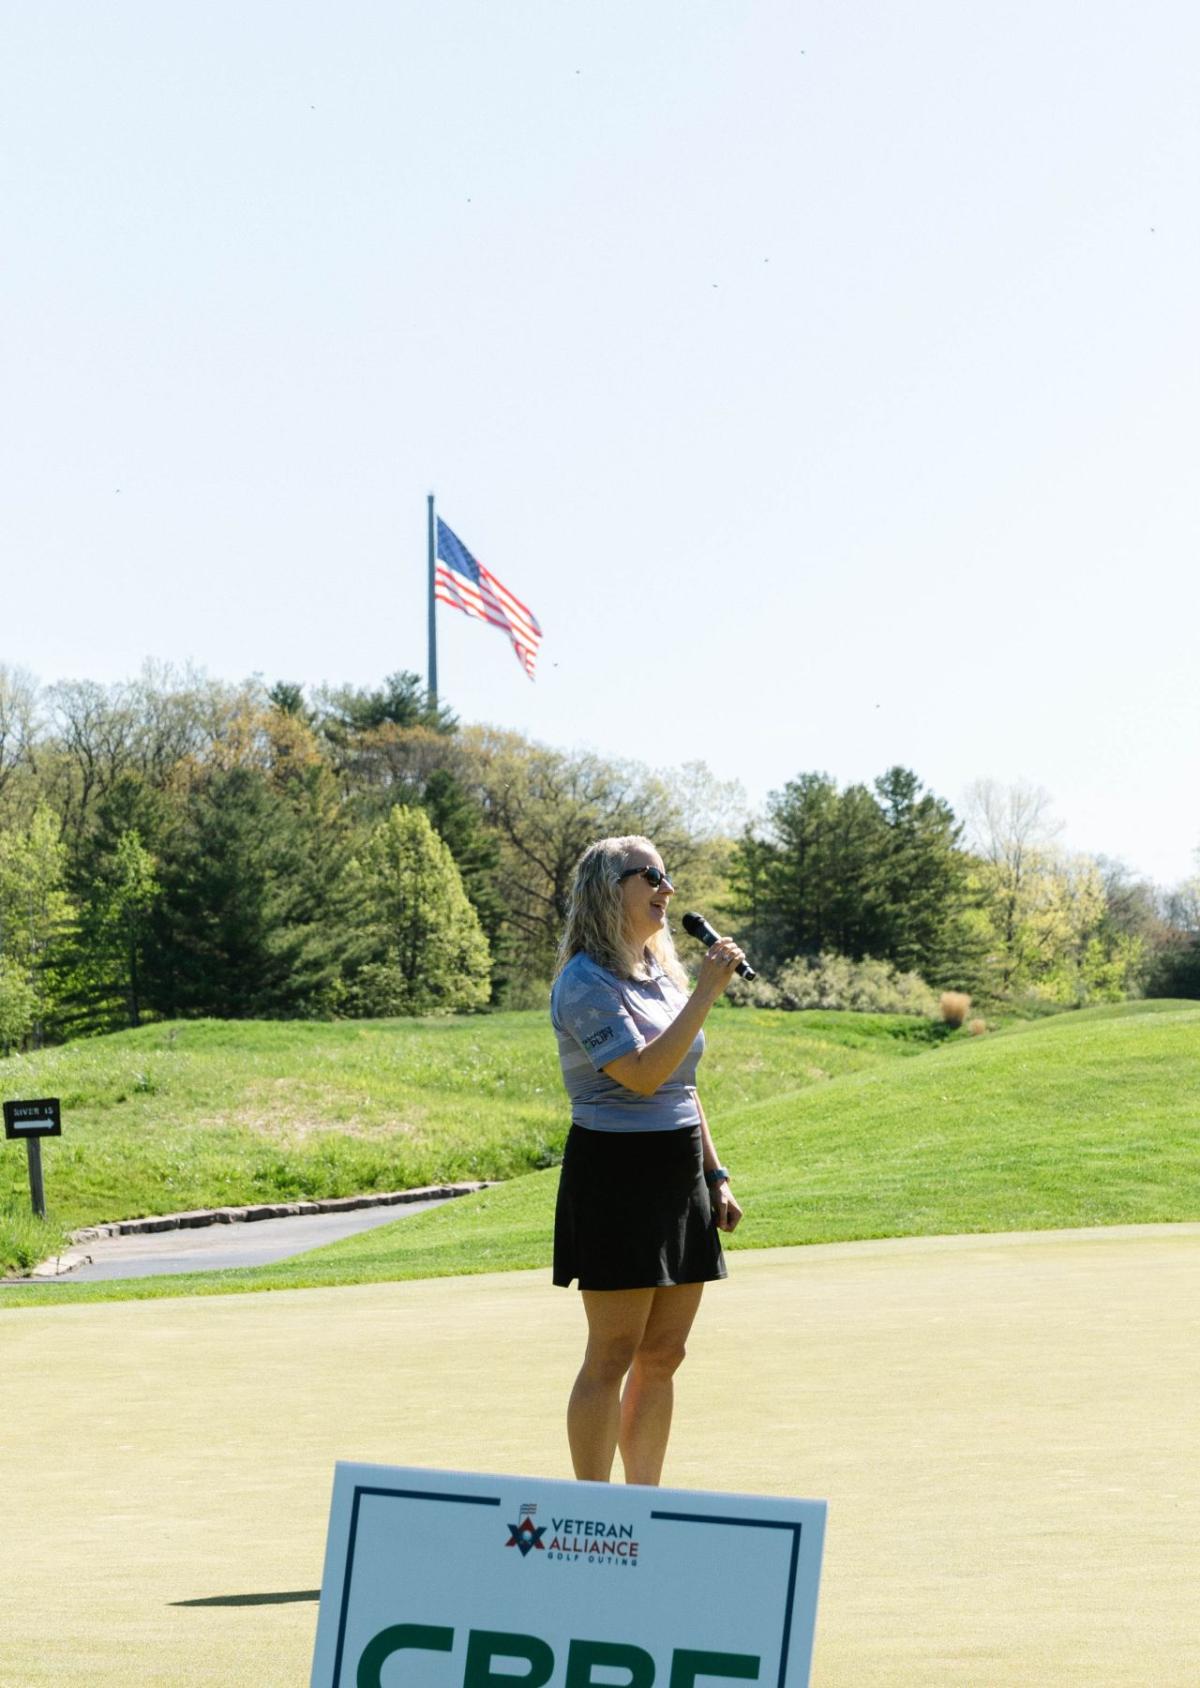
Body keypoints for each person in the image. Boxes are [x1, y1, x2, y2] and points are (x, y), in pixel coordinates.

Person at [550, 834, 745, 1486]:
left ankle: (642, 1510)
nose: (668, 890)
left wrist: (714, 1173)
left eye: (667, 876)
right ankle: (594, 1512)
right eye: (651, 877)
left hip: (678, 1167)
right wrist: (706, 996)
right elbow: (640, 1074)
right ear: (612, 890)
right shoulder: (583, 982)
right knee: (612, 1353)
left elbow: (684, 1085)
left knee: (663, 1354)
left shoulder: (662, 972)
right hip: (616, 1173)